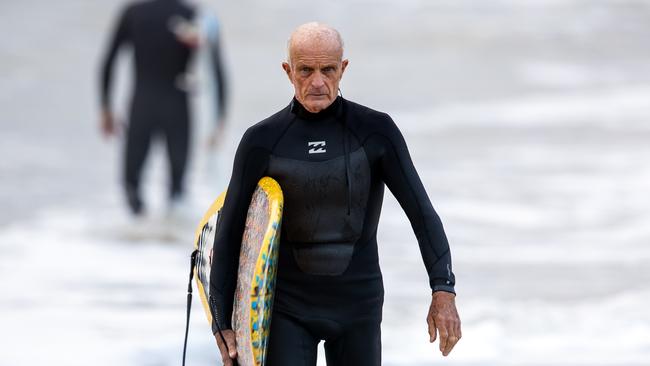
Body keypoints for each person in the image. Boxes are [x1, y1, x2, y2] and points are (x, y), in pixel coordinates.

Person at [209, 22, 461, 365]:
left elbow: (422, 213)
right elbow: (230, 232)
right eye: (306, 70)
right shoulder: (261, 141)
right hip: (286, 310)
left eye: (327, 69)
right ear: (288, 71)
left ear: (343, 69)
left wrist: (443, 289)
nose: (317, 82)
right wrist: (222, 322)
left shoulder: (375, 132)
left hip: (358, 306)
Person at [99, 0, 228, 216]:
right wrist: (219, 120)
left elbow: (108, 61)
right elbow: (216, 71)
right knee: (177, 187)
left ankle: (139, 232)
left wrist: (106, 107)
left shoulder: (132, 13)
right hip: (177, 107)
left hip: (141, 106)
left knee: (131, 184)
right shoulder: (195, 15)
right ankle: (169, 236)